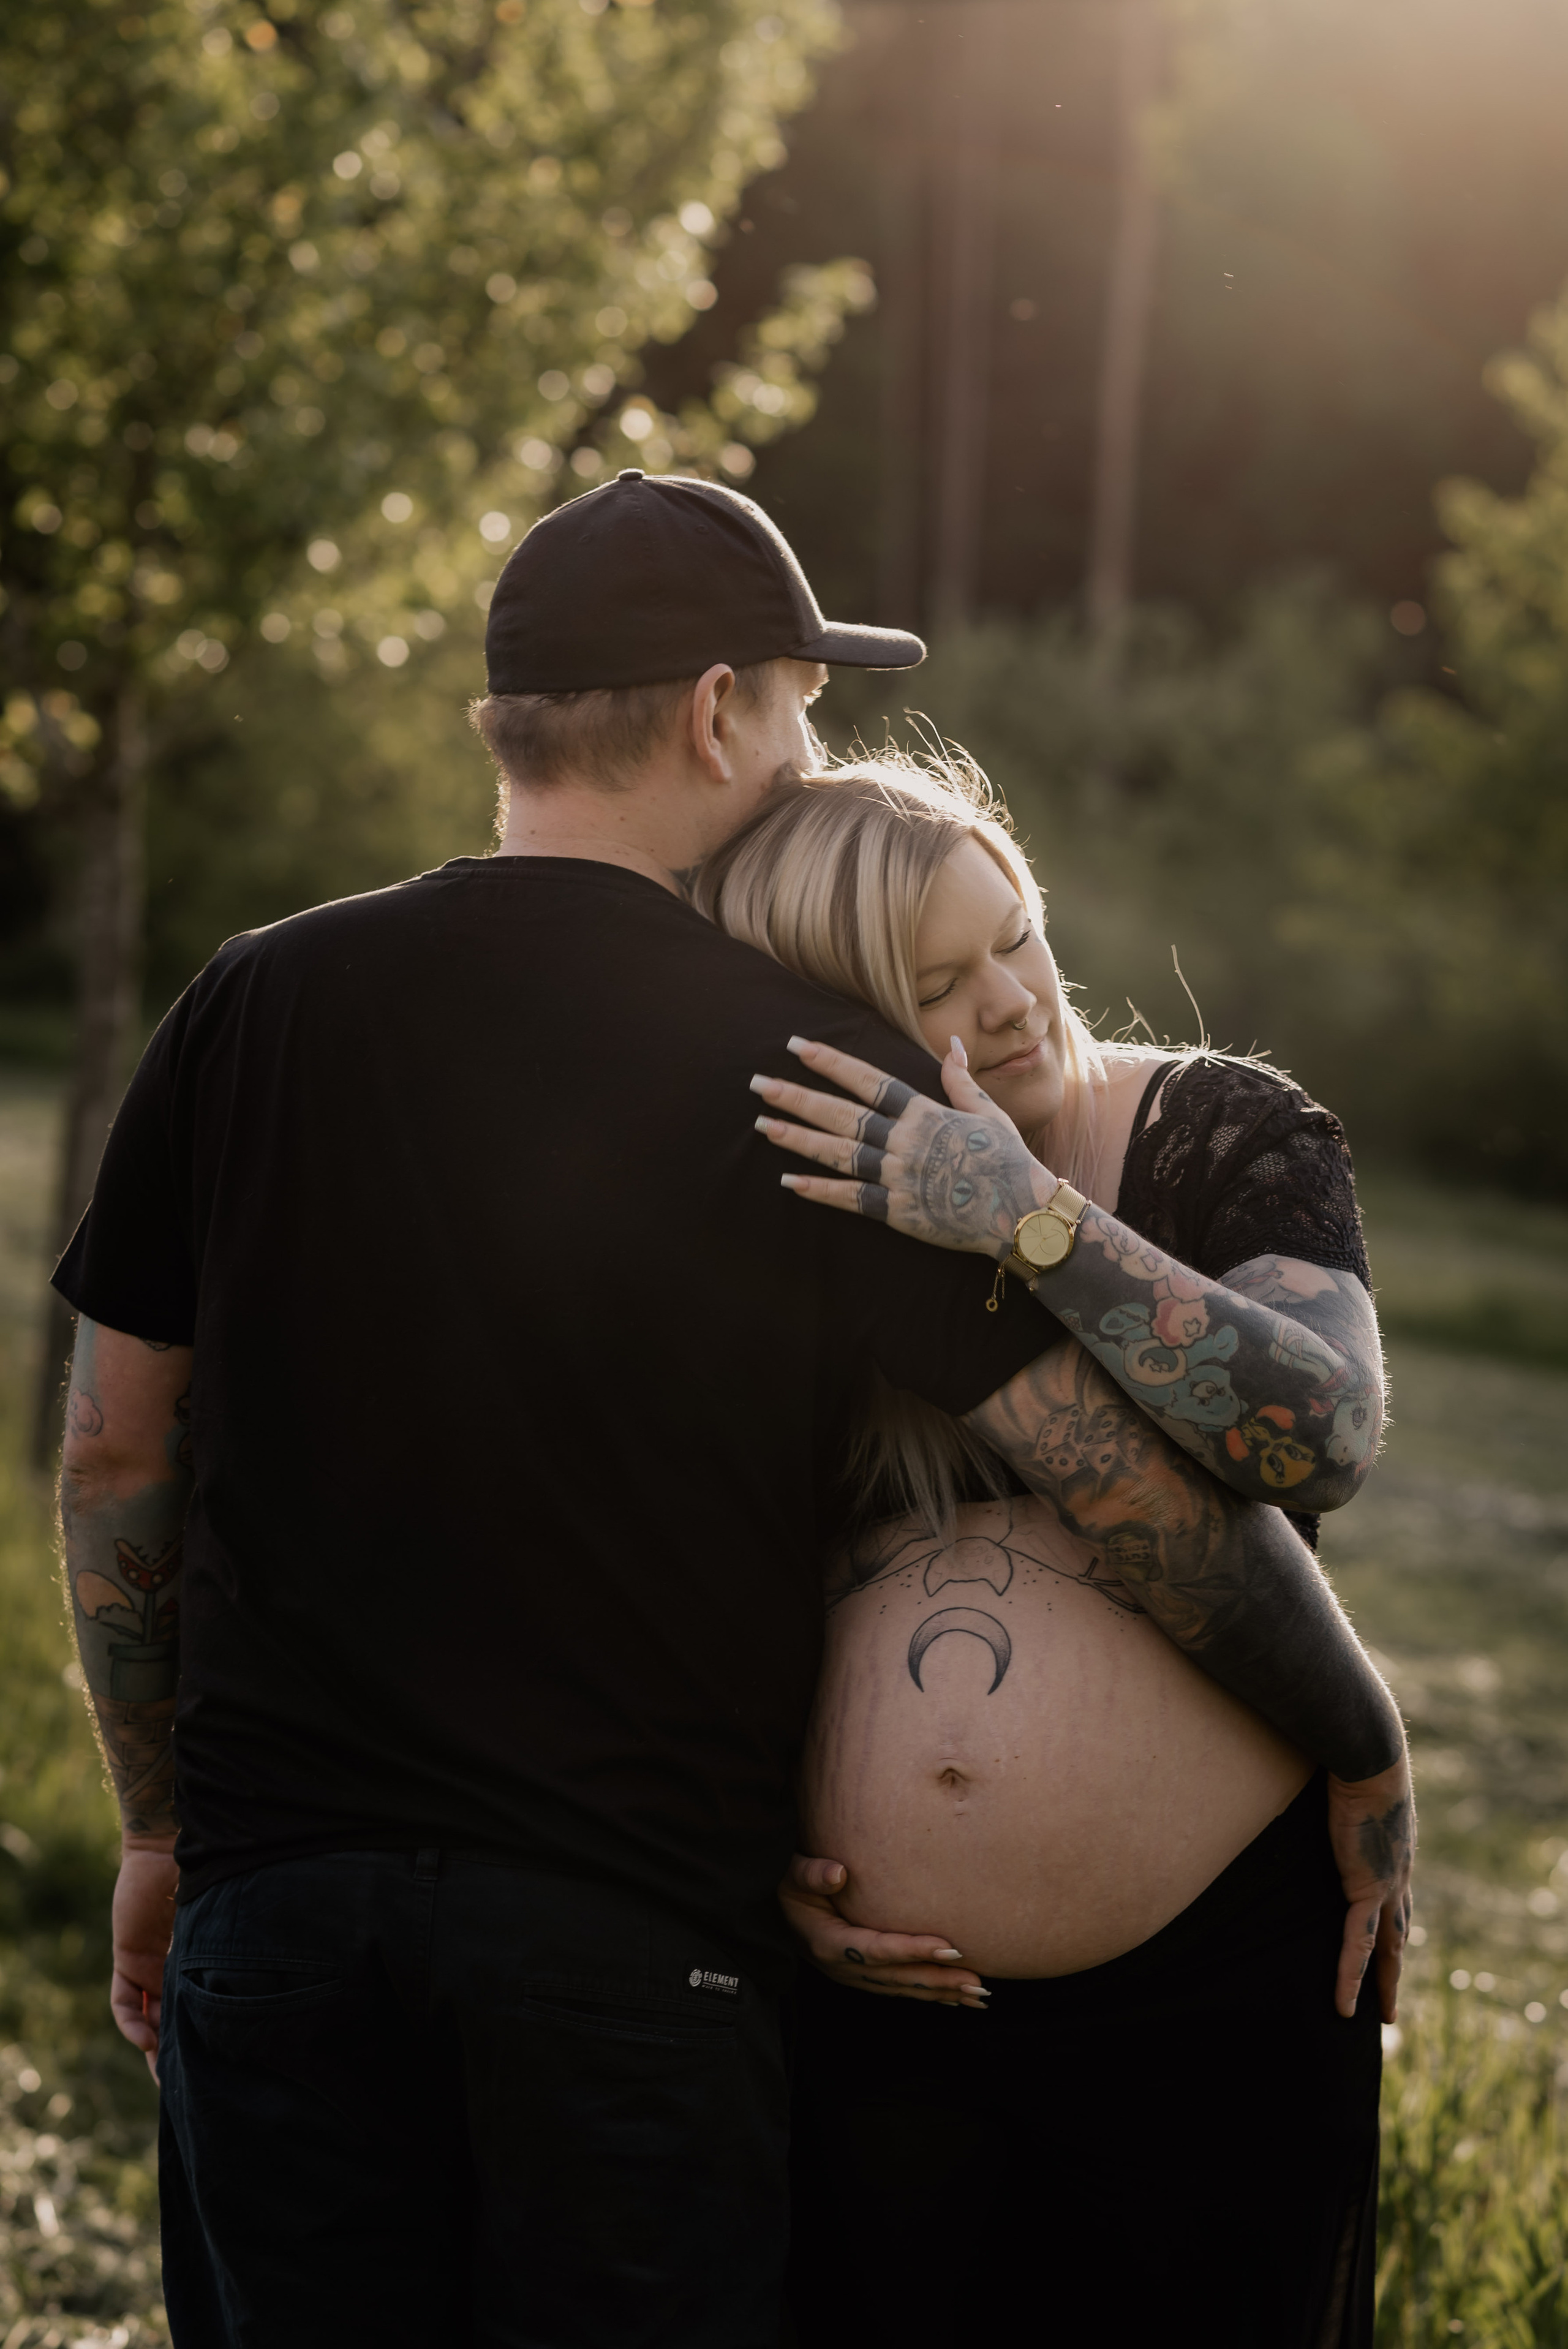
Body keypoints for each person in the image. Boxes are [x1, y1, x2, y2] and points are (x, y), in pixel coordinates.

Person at [51, 470, 1405, 2348]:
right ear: (715, 713)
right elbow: (1104, 1479)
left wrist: (153, 1829)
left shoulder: (250, 997)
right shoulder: (799, 1067)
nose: (807, 745)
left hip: (279, 1924)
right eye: (798, 702)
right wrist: (1349, 1726)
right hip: (630, 1943)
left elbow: (117, 1449)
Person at [693, 756, 1412, 2348]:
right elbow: (700, 1557)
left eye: (1015, 935)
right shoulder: (804, 1193)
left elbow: (1322, 1434)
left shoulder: (1224, 1131)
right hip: (877, 1994)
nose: (1014, 1000)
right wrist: (759, 1869)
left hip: (1220, 1966)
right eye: (938, 983)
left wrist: (1033, 1218)